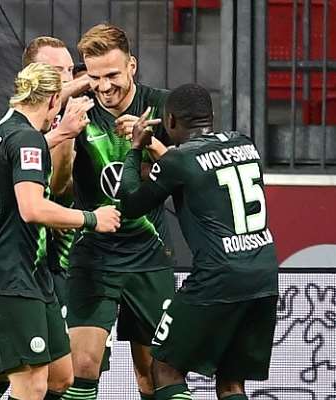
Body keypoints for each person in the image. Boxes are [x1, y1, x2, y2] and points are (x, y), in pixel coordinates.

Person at [118, 83, 279, 400]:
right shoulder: (245, 144)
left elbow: (131, 204)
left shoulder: (179, 161)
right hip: (264, 274)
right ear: (211, 115)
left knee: (165, 366)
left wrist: (135, 148)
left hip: (217, 278)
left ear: (170, 121)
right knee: (231, 381)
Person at [0, 62, 120, 400]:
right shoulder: (27, 137)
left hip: (30, 276)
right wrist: (92, 218)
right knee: (32, 386)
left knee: (60, 377)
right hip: (13, 277)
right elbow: (32, 208)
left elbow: (26, 151)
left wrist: (66, 123)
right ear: (53, 100)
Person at [63, 23, 175, 400]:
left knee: (153, 374)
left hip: (149, 255)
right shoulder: (78, 110)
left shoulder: (162, 106)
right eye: (94, 78)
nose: (104, 86)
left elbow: (192, 175)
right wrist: (66, 131)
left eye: (112, 75)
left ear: (132, 65)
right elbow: (58, 186)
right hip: (93, 256)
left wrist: (150, 144)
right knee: (81, 367)